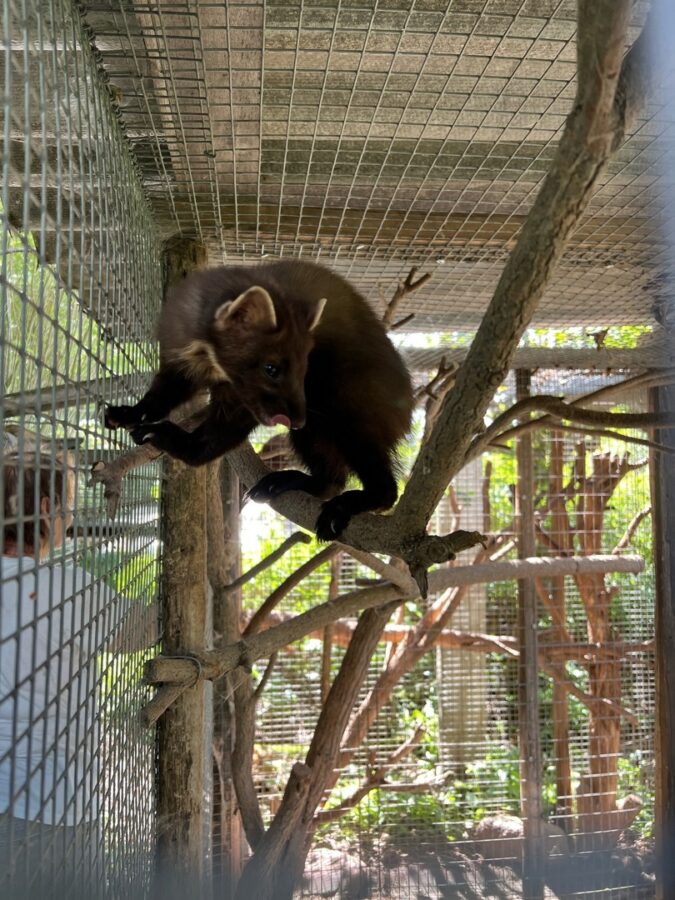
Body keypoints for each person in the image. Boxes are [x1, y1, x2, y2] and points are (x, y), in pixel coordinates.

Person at [0, 450, 157, 899]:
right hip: (48, 807)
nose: (71, 518)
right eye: (69, 504)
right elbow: (139, 632)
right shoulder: (65, 589)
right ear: (46, 508)